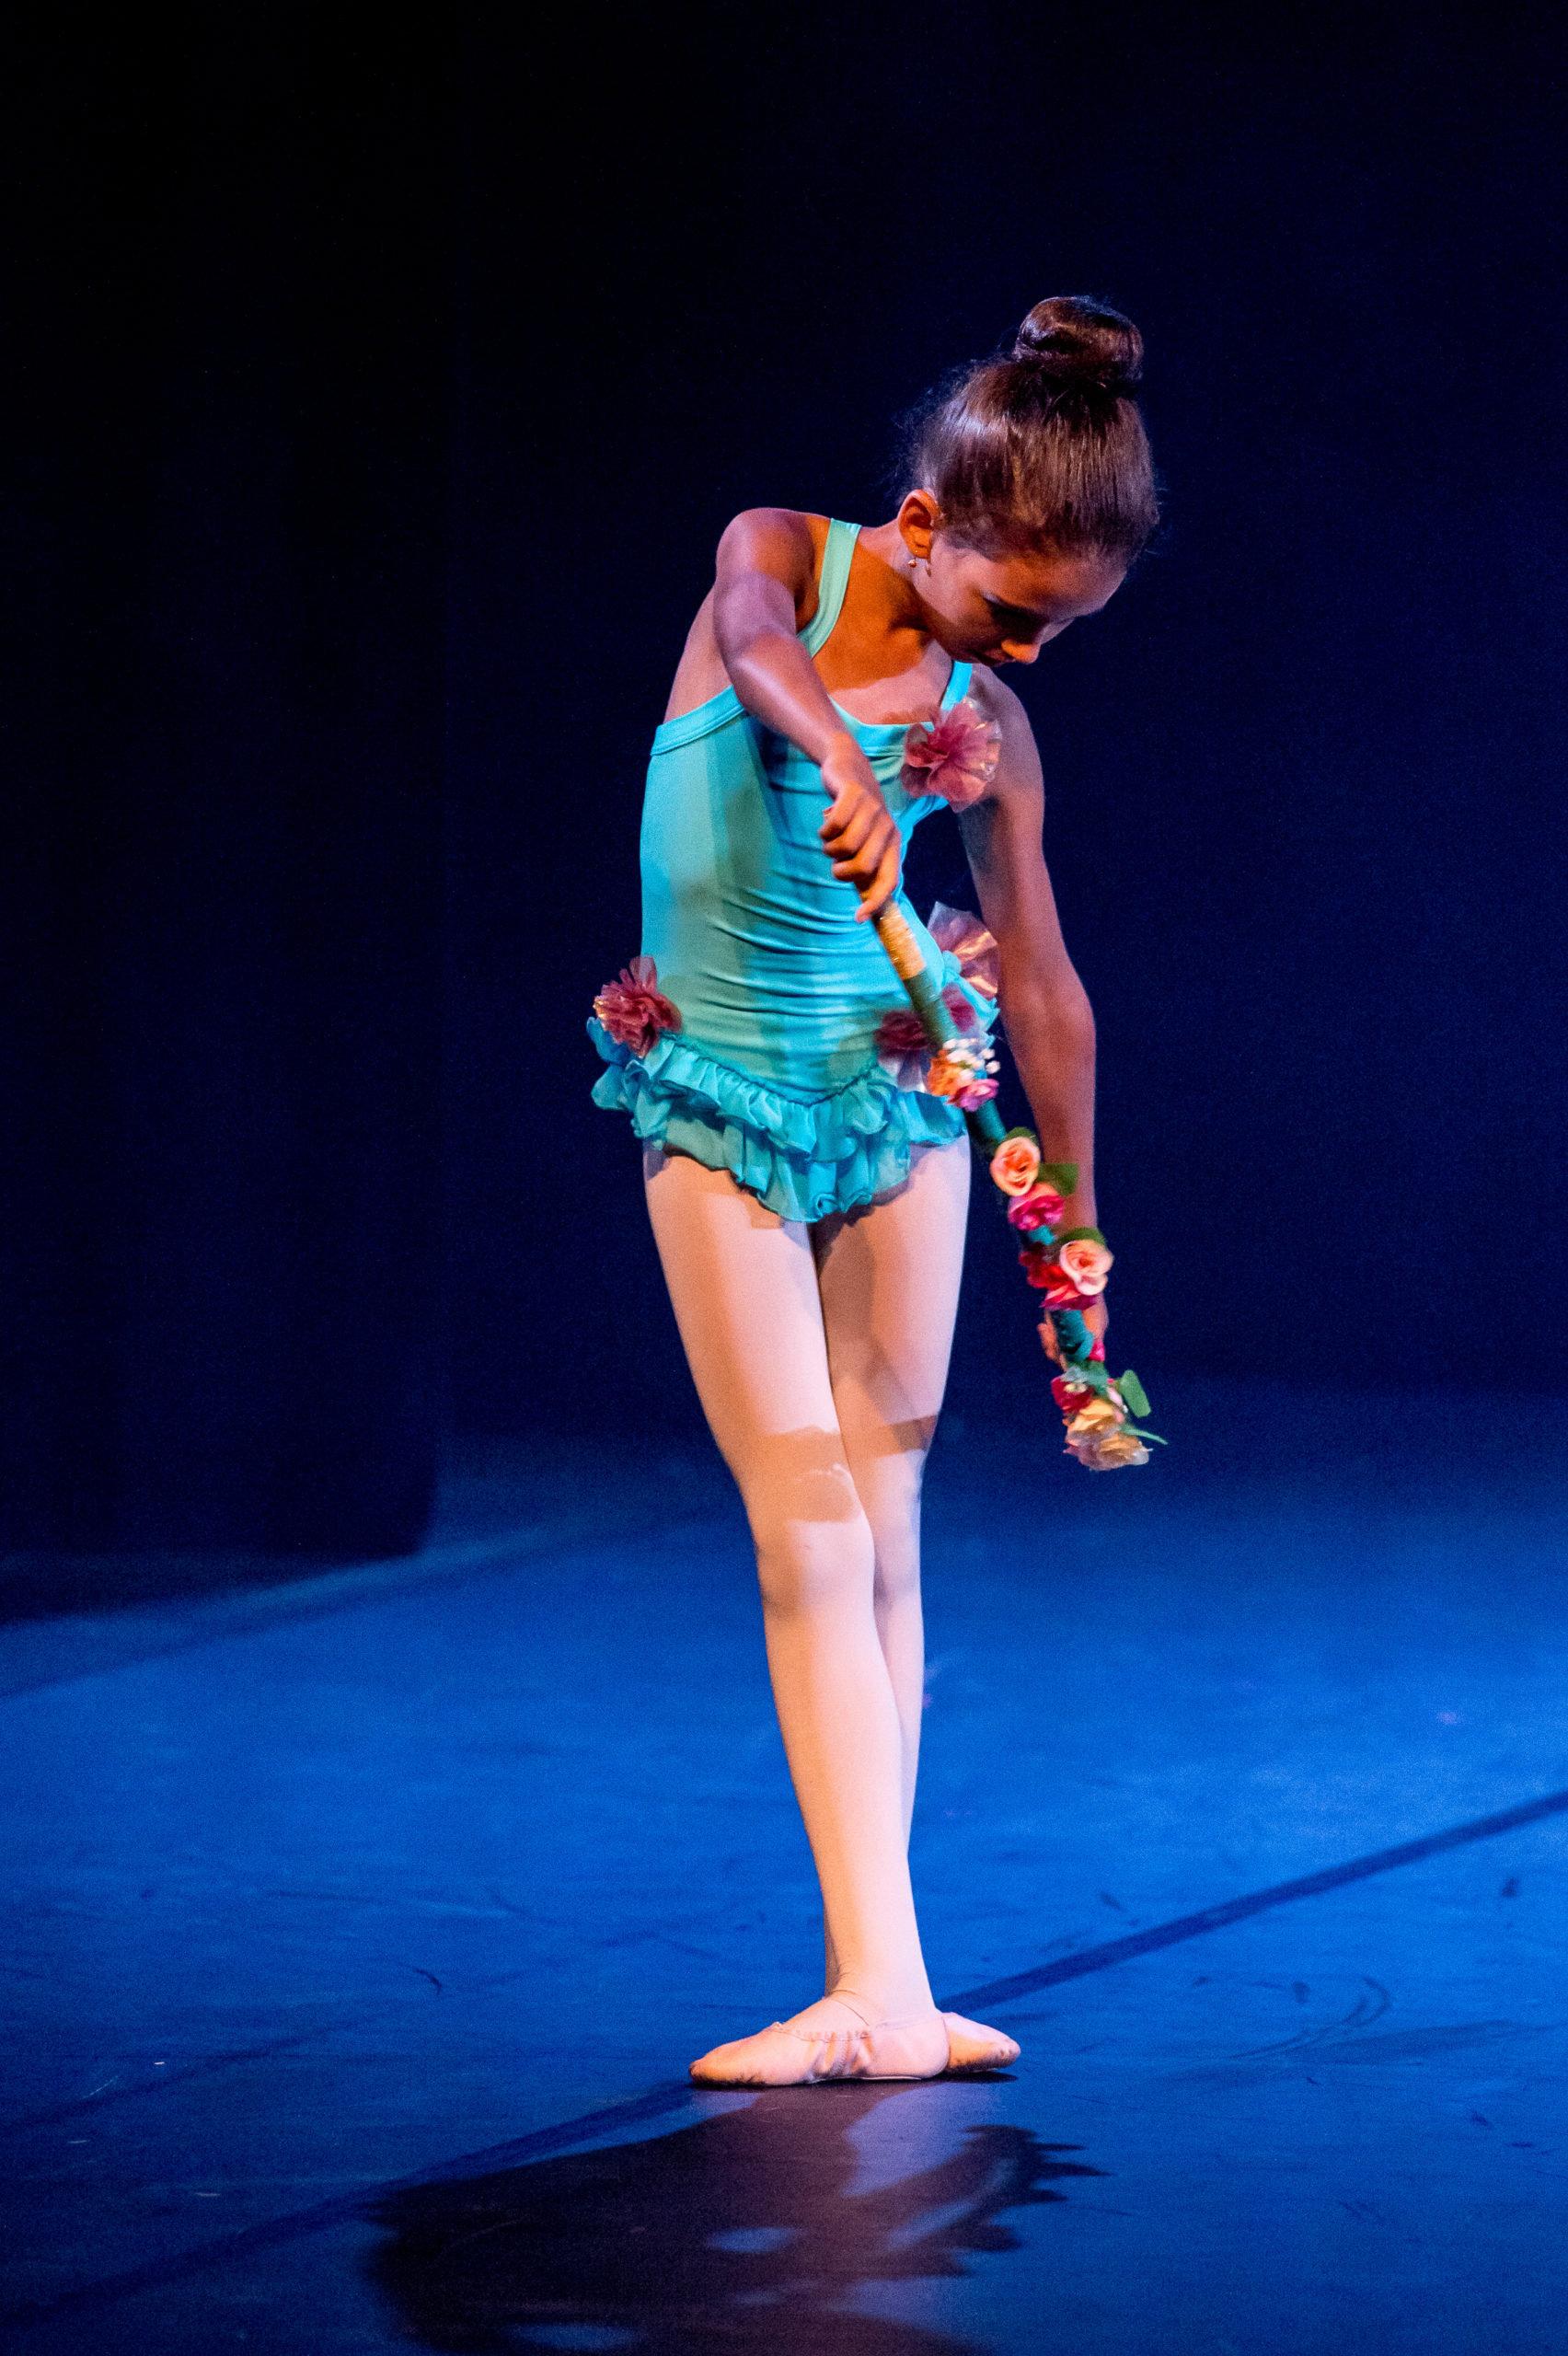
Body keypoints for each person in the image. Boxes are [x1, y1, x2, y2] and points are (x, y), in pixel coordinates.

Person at [590, 296, 1160, 2086]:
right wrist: (838, 751)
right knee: (810, 1521)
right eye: (1015, 612)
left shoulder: (992, 718)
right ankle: (884, 1987)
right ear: (925, 525)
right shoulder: (783, 553)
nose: (1030, 653)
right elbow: (753, 636)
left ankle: (881, 1983)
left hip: (900, 1101)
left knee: (887, 1523)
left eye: (1064, 629)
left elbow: (1045, 986)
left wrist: (1076, 1228)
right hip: (722, 1104)